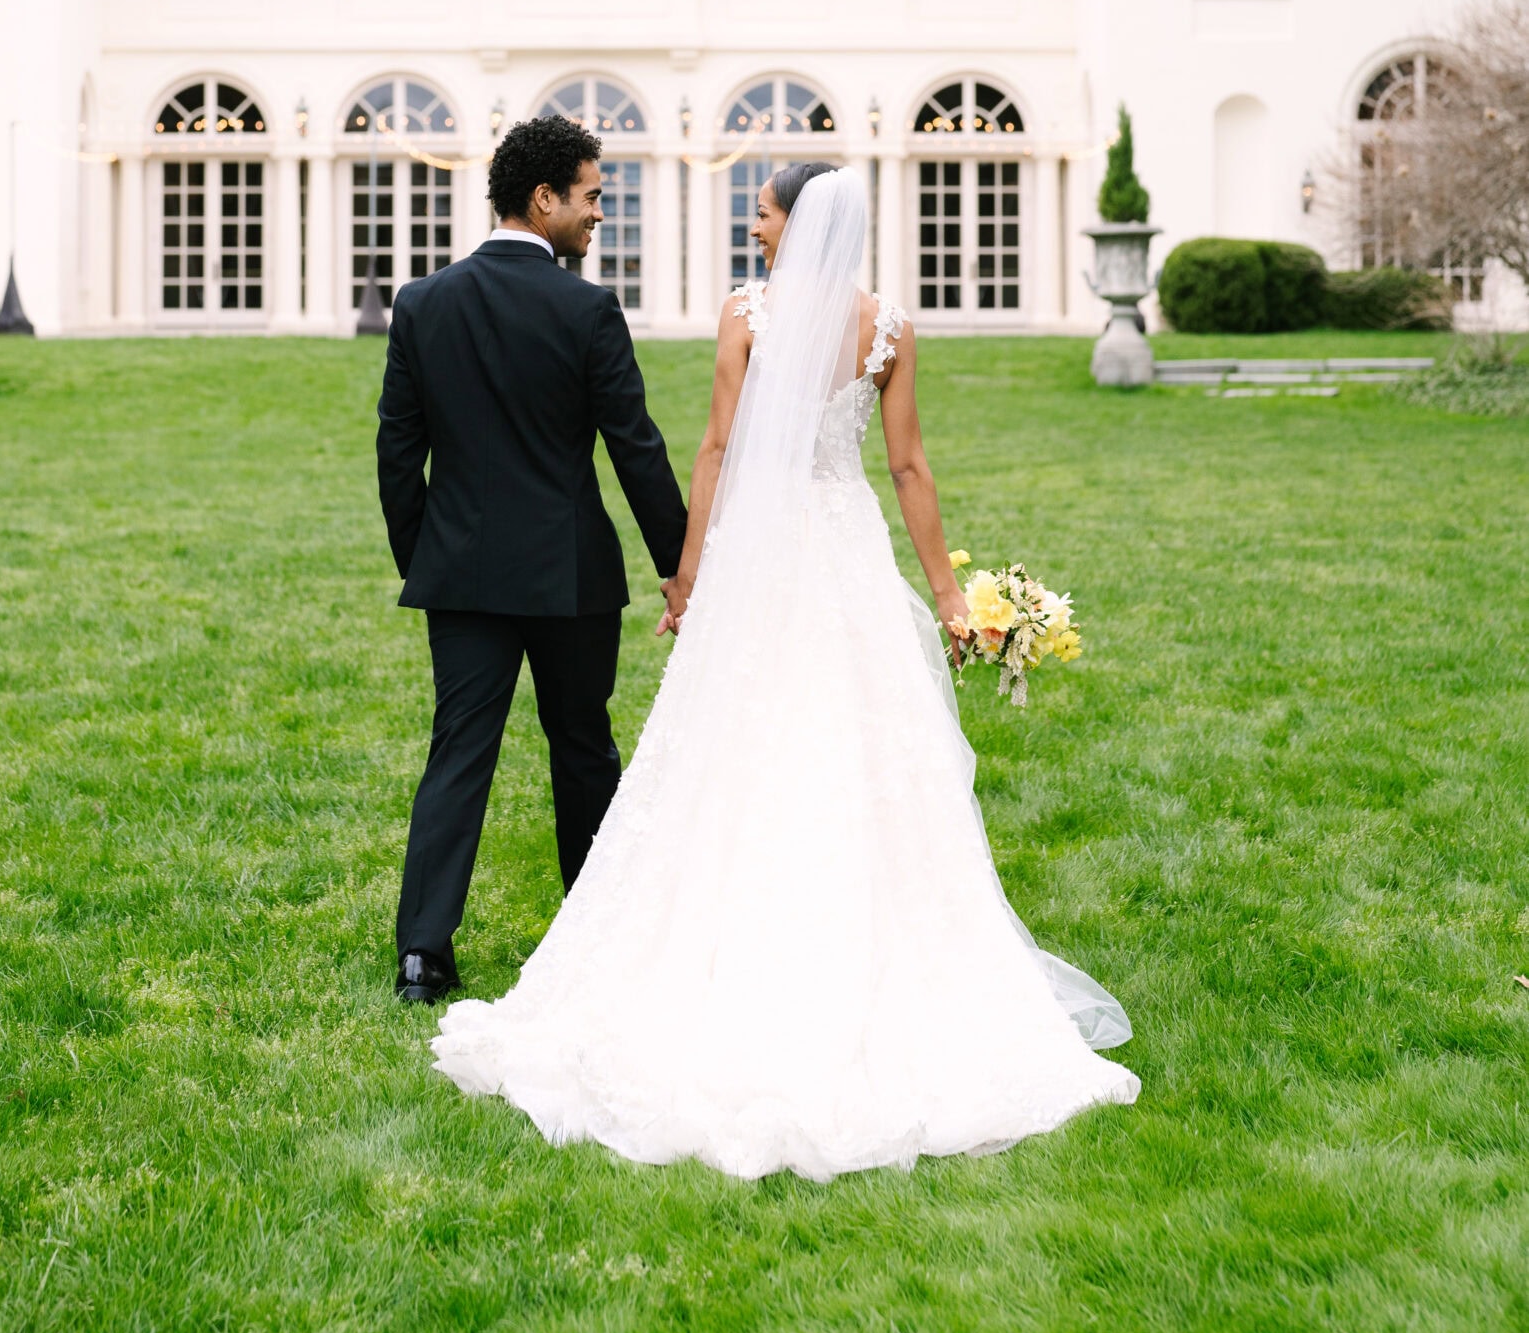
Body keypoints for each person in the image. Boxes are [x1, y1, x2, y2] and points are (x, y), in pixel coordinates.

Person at [429, 162, 1139, 1178]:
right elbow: (908, 469)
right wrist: (946, 597)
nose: (751, 225)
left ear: (794, 221)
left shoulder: (747, 313)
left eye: (761, 210)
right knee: (860, 744)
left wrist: (688, 580)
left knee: (738, 742)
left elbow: (716, 447)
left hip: (766, 559)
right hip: (845, 551)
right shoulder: (885, 326)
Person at [377, 114, 688, 1005]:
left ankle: (422, 955)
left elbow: (398, 454)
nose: (599, 215)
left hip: (462, 576)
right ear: (543, 198)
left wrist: (428, 558)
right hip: (570, 575)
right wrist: (678, 569)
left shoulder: (423, 303)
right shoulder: (586, 308)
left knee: (458, 754)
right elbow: (635, 447)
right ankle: (595, 935)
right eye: (590, 198)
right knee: (582, 748)